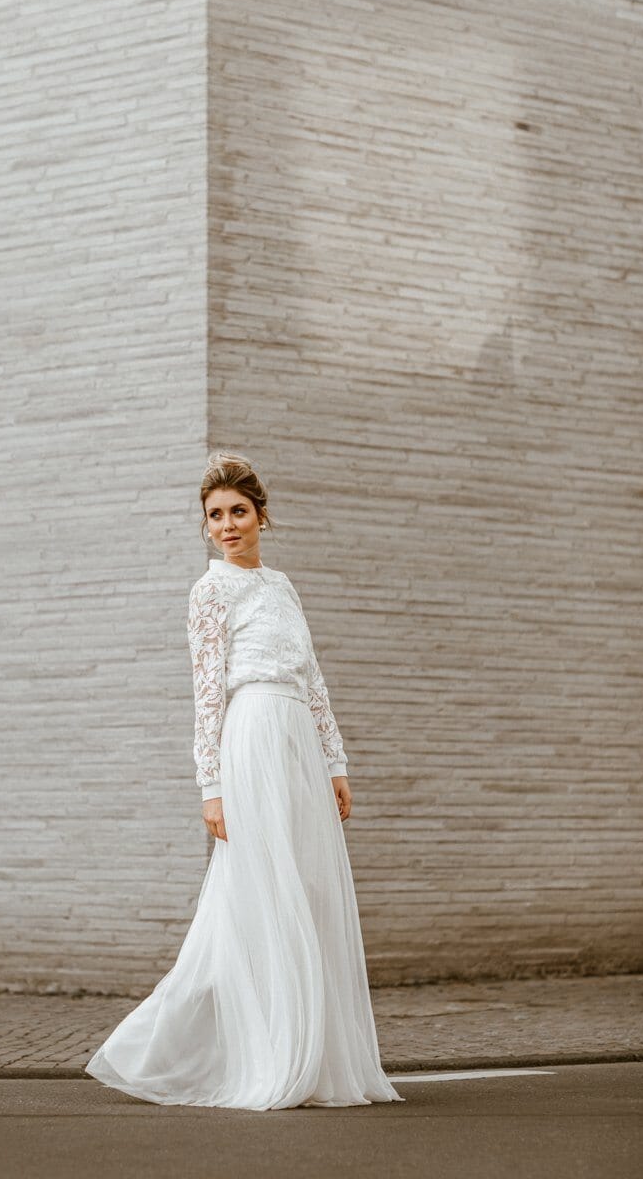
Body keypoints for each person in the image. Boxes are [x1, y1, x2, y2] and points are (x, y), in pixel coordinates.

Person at [84, 450, 404, 1109]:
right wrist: (211, 784)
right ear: (205, 527)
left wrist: (334, 761)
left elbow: (313, 679)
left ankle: (312, 1054)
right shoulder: (209, 591)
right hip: (250, 737)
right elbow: (205, 693)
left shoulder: (282, 587)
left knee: (310, 892)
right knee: (259, 895)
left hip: (299, 748)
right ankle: (245, 1052)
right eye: (214, 516)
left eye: (238, 511)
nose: (227, 525)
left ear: (262, 515)